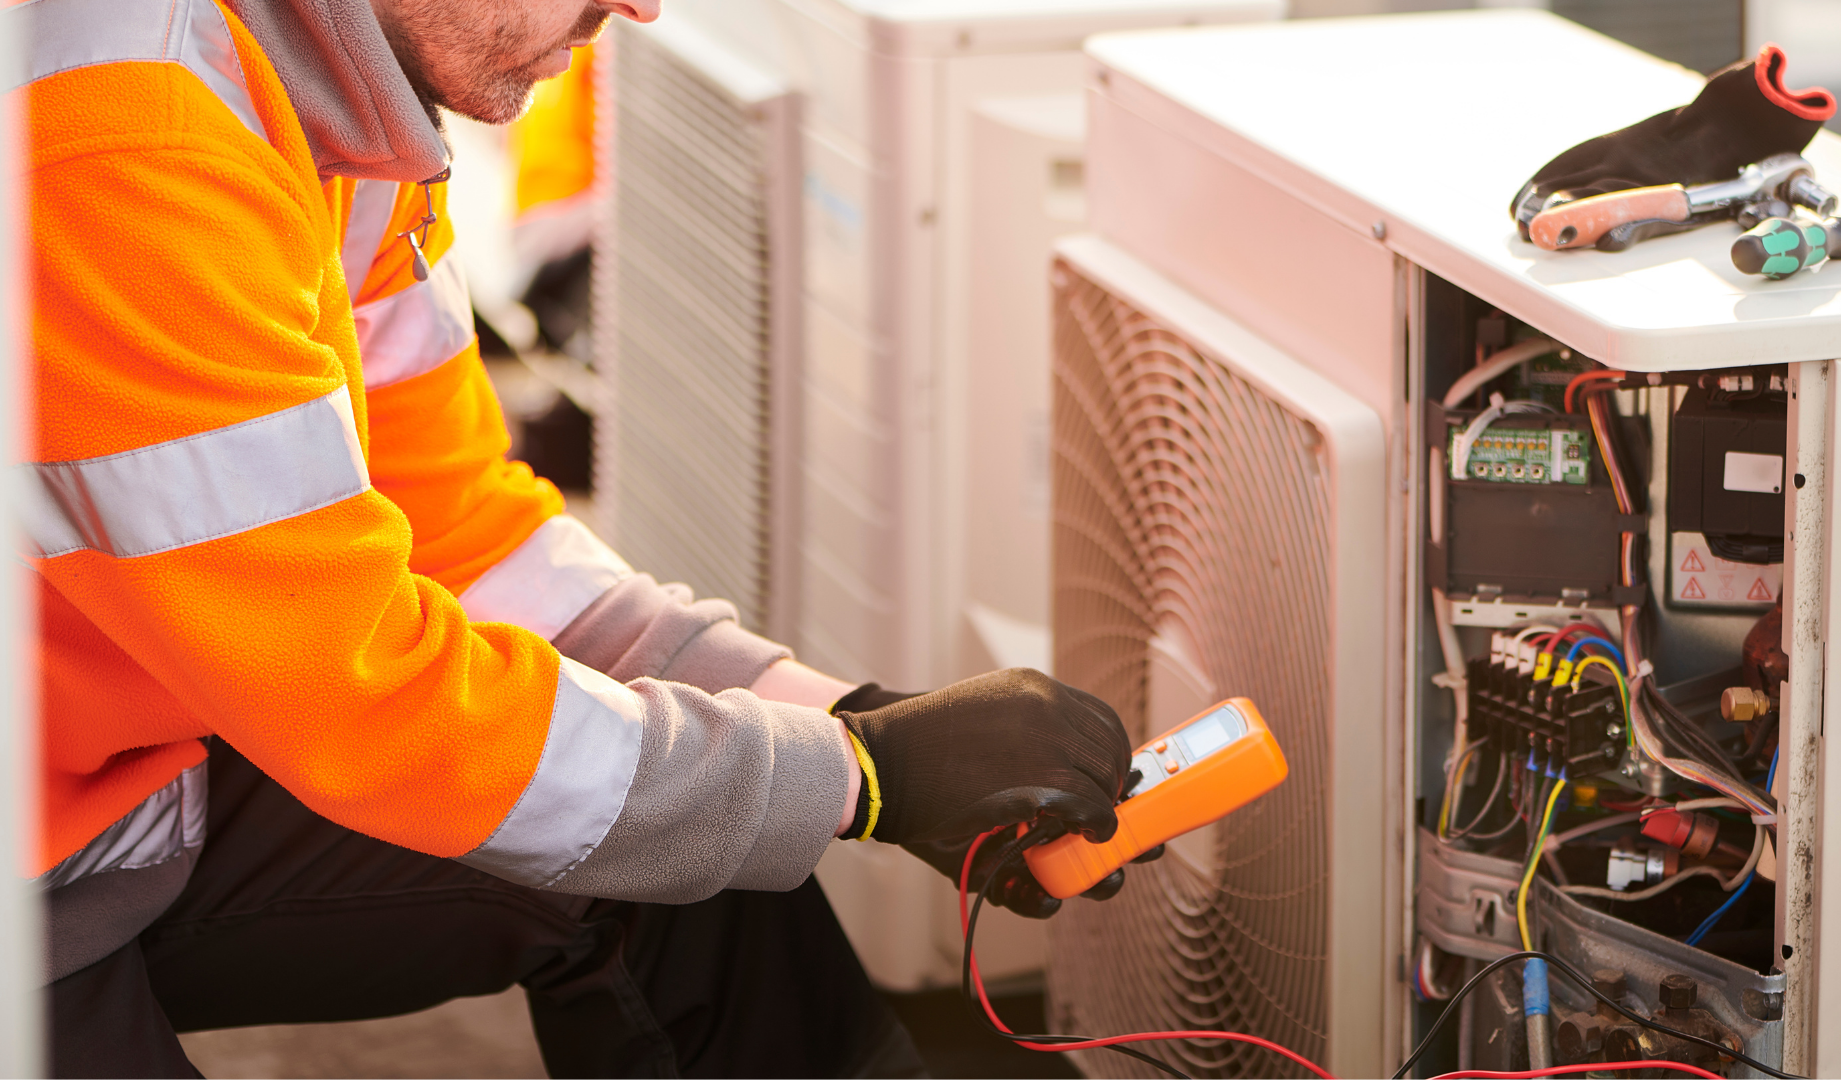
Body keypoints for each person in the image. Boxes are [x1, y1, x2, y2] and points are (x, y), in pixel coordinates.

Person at [12, 0, 1143, 1074]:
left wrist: (849, 721)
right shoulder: (121, 141)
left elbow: (465, 536)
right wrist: (864, 782)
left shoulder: (334, 116)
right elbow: (367, 696)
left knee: (705, 852)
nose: (643, 8)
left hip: (125, 785)